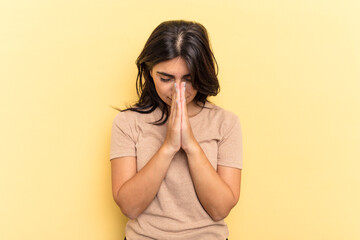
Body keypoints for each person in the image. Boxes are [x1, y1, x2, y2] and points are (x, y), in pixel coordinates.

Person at [110, 20, 243, 240]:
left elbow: (220, 209)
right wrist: (169, 146)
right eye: (166, 78)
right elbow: (129, 207)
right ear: (149, 72)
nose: (178, 90)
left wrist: (190, 145)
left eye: (189, 79)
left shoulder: (226, 123)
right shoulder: (127, 123)